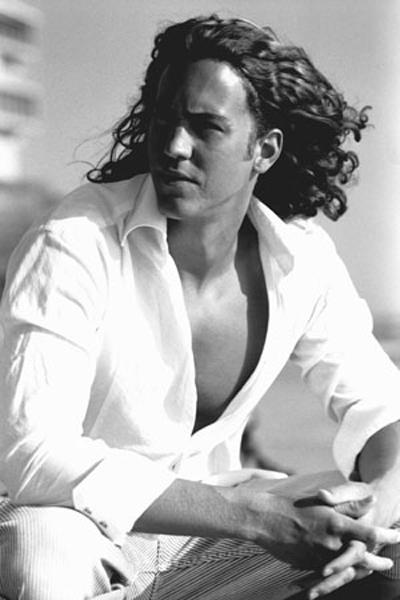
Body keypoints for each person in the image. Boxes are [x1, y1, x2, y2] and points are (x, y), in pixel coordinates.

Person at [0, 13, 400, 600]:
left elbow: (379, 402)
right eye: (165, 121)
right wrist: (257, 518)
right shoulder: (74, 239)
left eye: (206, 127)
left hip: (214, 538)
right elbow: (32, 454)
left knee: (381, 539)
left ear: (264, 149)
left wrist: (383, 498)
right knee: (42, 552)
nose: (173, 147)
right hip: (79, 526)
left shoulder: (299, 258)